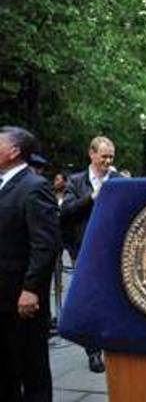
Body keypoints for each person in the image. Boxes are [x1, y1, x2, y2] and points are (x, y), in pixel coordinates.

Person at [0, 126, 60, 402]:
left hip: (22, 297)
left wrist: (32, 289)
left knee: (31, 366)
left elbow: (45, 244)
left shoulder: (35, 187)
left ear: (13, 151)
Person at [61, 136, 121, 373]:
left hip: (113, 249)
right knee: (90, 300)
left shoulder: (118, 180)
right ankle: (94, 351)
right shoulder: (76, 181)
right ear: (92, 154)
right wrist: (92, 197)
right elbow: (66, 212)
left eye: (111, 157)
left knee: (113, 298)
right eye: (104, 156)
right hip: (85, 249)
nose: (107, 161)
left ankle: (115, 344)